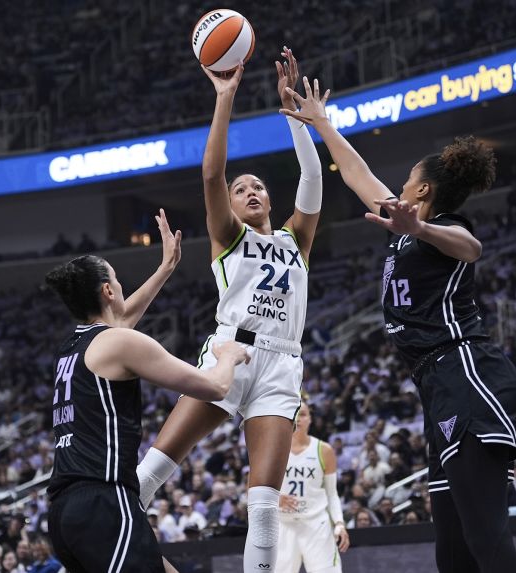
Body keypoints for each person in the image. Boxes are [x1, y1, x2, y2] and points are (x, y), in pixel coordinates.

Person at [282, 78, 516, 573]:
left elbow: (472, 249)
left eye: (408, 179)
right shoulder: (399, 220)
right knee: (452, 551)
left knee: (485, 535)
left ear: (424, 190)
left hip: (469, 375)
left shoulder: (445, 228)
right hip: (436, 387)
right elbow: (357, 174)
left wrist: (421, 228)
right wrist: (320, 122)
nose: (399, 187)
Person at [135, 47, 323, 572]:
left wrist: (296, 119)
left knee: (263, 507)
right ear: (233, 205)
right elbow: (211, 174)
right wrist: (225, 97)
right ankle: (109, 552)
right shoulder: (228, 236)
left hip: (282, 364)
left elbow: (312, 179)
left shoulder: (296, 238)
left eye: (258, 186)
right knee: (148, 476)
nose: (250, 191)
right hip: (230, 353)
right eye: (241, 190)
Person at [43, 211, 250, 573]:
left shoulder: (74, 347)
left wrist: (165, 268)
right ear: (108, 291)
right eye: (117, 280)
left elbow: (121, 322)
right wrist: (229, 356)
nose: (122, 286)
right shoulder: (118, 343)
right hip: (104, 501)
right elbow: (216, 387)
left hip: (65, 512)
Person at [277, 402, 350, 573]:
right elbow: (253, 488)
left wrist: (339, 523)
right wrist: (274, 498)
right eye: (293, 413)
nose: (297, 418)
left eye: (302, 414)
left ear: (310, 419)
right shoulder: (273, 449)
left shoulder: (324, 450)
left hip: (316, 525)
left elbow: (332, 494)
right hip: (282, 524)